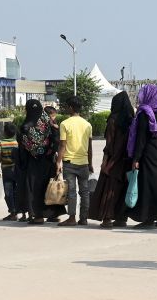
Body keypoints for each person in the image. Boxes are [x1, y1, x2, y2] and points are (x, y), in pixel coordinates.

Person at [125, 84, 157, 229]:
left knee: (147, 186)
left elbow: (141, 139)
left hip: (148, 155)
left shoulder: (144, 114)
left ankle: (149, 219)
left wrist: (136, 159)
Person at [89, 91, 135, 229]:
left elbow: (109, 144)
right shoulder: (131, 119)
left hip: (114, 159)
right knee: (122, 189)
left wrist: (105, 161)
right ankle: (121, 218)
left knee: (109, 189)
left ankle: (107, 219)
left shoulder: (113, 119)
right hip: (127, 160)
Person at [19, 99, 66, 225]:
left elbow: (23, 147)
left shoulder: (25, 126)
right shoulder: (49, 123)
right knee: (49, 186)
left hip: (34, 162)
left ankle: (38, 216)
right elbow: (56, 140)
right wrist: (53, 155)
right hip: (49, 160)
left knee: (34, 189)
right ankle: (53, 215)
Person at [56, 96, 93, 227]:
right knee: (85, 192)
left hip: (69, 163)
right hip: (84, 163)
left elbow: (62, 145)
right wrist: (91, 163)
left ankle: (72, 218)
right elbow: (90, 146)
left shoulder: (65, 124)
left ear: (71, 107)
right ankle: (84, 218)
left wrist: (58, 162)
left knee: (71, 192)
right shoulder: (87, 124)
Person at [0, 123, 20, 221]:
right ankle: (18, 211)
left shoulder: (1, 143)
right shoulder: (16, 142)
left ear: (4, 132)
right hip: (16, 169)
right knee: (16, 190)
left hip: (6, 169)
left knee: (8, 191)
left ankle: (12, 212)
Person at [44, 105, 63, 223]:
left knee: (53, 186)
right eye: (51, 115)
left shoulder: (52, 126)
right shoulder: (50, 126)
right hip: (53, 158)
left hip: (53, 158)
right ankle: (53, 213)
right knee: (53, 185)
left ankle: (53, 213)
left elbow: (57, 142)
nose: (53, 117)